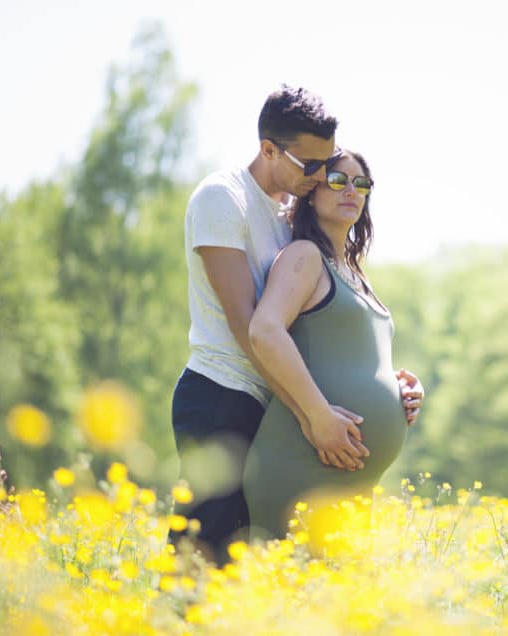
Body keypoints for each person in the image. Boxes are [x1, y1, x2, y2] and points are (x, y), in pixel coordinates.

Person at [171, 86, 423, 564]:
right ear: (268, 149)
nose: (317, 178)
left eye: (324, 165)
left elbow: (319, 332)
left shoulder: (289, 219)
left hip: (271, 404)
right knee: (206, 556)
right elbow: (251, 326)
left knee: (251, 566)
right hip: (224, 395)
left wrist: (391, 387)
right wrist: (313, 415)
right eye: (311, 167)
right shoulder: (223, 199)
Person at [243, 150, 408, 541]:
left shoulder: (352, 270)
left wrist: (400, 385)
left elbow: (351, 351)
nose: (351, 189)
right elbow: (264, 331)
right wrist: (318, 416)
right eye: (338, 180)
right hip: (305, 460)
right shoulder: (304, 256)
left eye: (361, 183)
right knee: (289, 594)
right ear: (311, 191)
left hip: (347, 479)